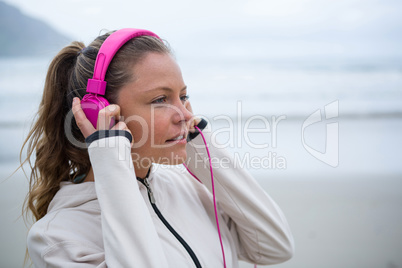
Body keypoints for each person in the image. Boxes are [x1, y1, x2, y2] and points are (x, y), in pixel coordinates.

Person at [21, 28, 294, 267]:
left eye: (184, 96)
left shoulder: (189, 187)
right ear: (100, 113)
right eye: (160, 99)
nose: (185, 114)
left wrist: (199, 146)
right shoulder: (58, 238)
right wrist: (111, 157)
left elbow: (274, 247)